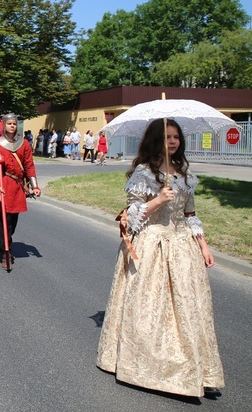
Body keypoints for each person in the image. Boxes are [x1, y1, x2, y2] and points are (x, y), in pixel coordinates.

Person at [96, 118, 224, 398]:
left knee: (187, 307)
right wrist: (157, 200)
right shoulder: (144, 173)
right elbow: (130, 219)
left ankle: (192, 370)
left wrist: (203, 246)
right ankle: (146, 366)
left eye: (176, 136)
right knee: (150, 308)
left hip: (182, 248)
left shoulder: (185, 174)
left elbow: (190, 214)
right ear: (157, 140)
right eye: (167, 136)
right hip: (151, 245)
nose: (173, 141)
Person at [0, 113, 41, 271]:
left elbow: (29, 165)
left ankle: (6, 241)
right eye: (9, 123)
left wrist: (35, 186)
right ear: (4, 124)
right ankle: (5, 252)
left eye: (14, 123)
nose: (12, 126)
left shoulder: (24, 144)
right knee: (2, 221)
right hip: (2, 184)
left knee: (12, 222)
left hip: (16, 187)